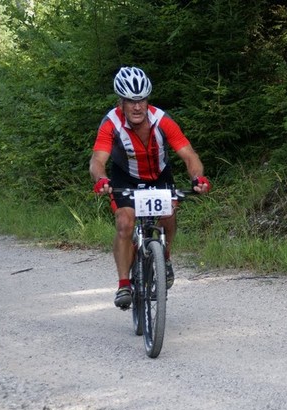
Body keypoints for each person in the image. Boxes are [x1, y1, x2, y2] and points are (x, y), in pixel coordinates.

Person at [89, 66, 211, 308]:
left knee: (168, 214)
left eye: (142, 100)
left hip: (159, 177)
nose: (137, 107)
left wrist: (198, 178)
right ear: (121, 102)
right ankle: (124, 284)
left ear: (147, 100)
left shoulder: (162, 120)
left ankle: (164, 258)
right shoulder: (111, 123)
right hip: (125, 178)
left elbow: (189, 155)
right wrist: (101, 179)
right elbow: (97, 160)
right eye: (130, 101)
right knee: (125, 223)